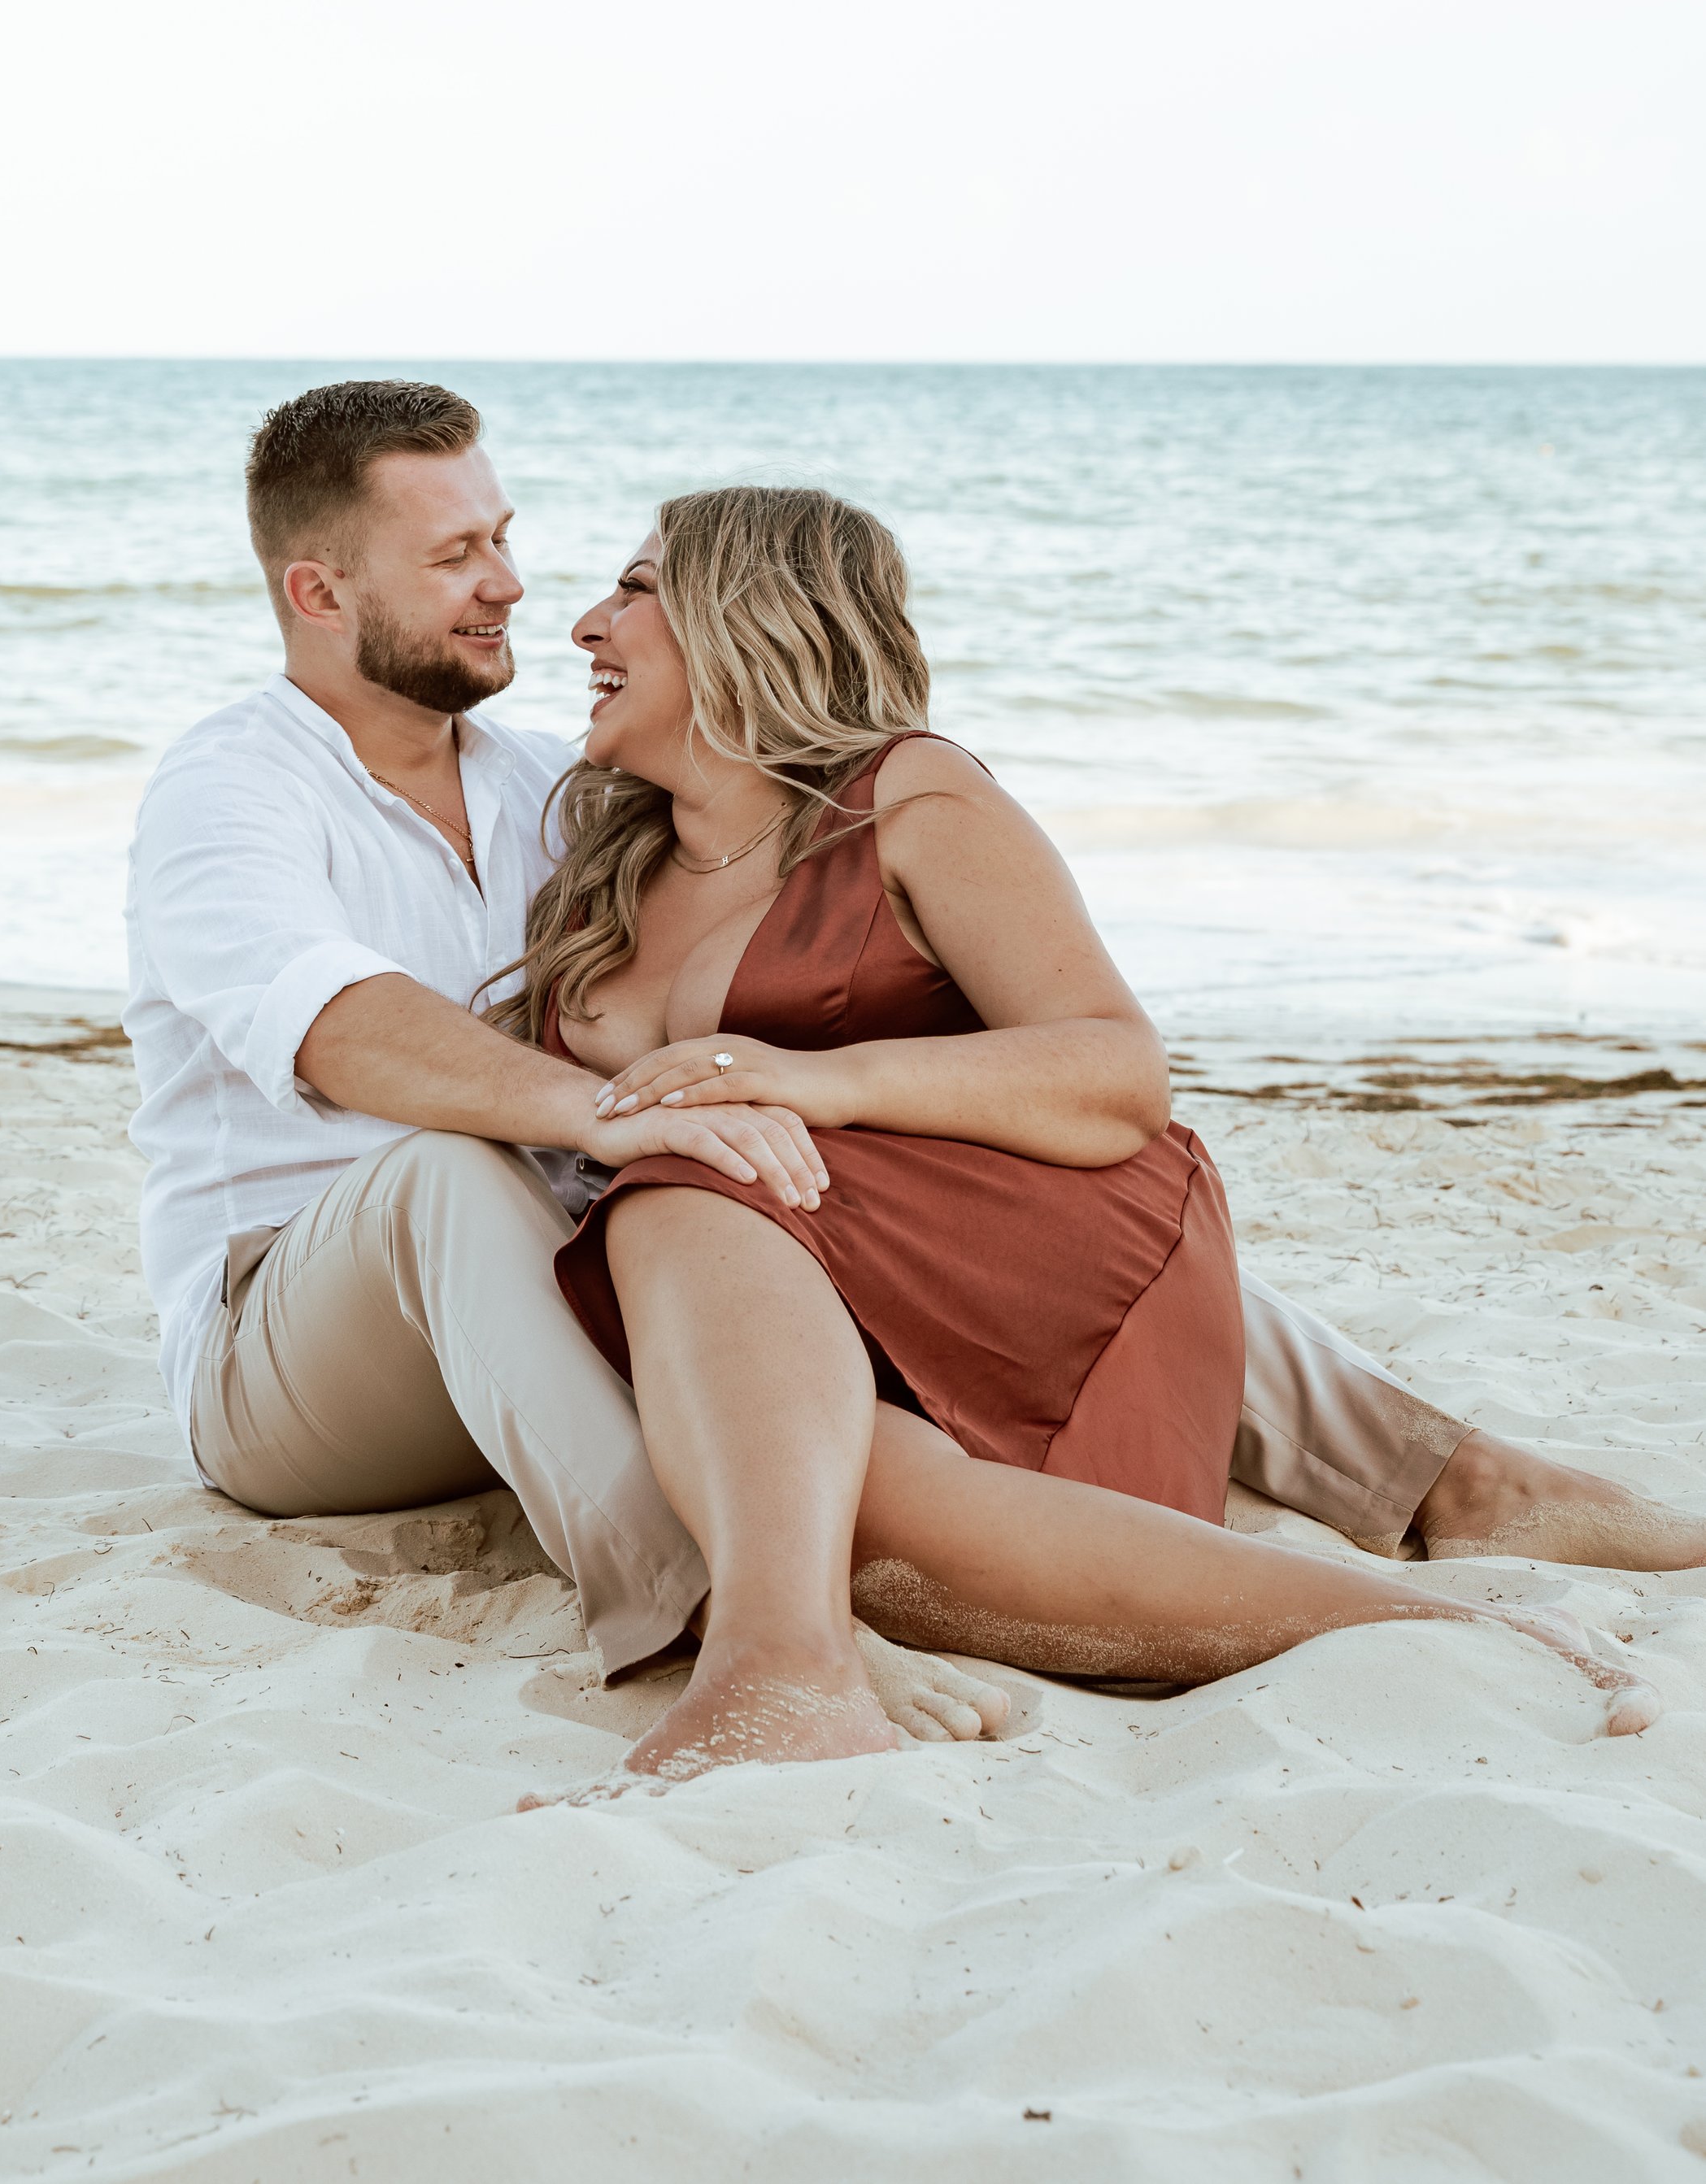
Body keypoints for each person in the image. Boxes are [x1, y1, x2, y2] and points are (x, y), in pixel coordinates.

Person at [124, 382, 1695, 1759]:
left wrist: (820, 1062)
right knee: (462, 1172)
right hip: (299, 1334)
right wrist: (630, 1111)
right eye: (456, 555)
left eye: (508, 537)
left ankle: (1432, 1509)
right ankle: (731, 1624)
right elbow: (342, 1025)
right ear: (320, 589)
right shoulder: (231, 790)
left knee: (854, 1345)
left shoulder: (568, 797)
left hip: (571, 1284)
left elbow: (863, 942)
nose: (518, 588)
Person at [513, 485, 1670, 1776]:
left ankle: (777, 1662)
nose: (585, 623)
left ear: (753, 614)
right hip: (781, 1313)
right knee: (817, 1504)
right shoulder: (604, 863)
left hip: (1015, 1265)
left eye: (634, 587)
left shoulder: (908, 796)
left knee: (688, 1184)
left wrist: (808, 1081)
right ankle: (1463, 1631)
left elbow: (1120, 1069)